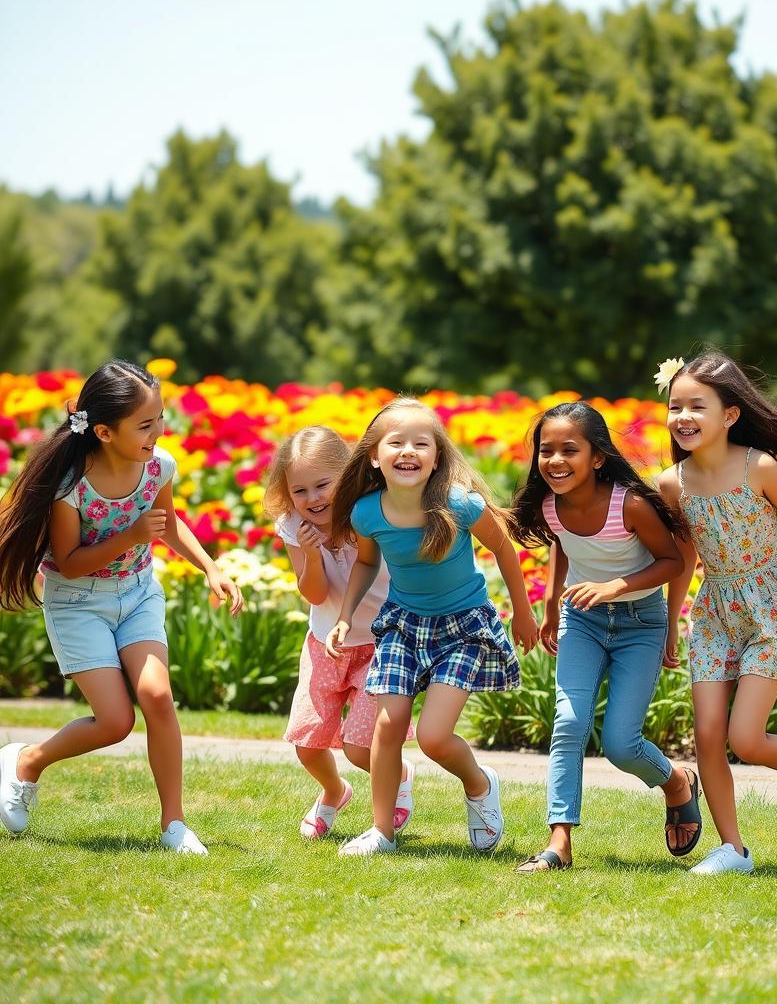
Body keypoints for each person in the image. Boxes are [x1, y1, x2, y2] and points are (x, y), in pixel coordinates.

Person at [0, 360, 243, 853]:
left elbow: (169, 524)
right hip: (78, 604)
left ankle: (173, 823)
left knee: (157, 695)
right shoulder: (70, 484)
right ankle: (25, 761)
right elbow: (67, 563)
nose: (160, 431)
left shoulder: (159, 466)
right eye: (147, 424)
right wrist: (130, 535)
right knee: (115, 722)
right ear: (105, 431)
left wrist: (210, 567)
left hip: (136, 592)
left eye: (160, 418)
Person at [656, 352, 777, 875]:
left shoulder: (757, 465)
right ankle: (733, 849)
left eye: (697, 406)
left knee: (746, 738)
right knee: (708, 735)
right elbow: (685, 555)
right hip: (715, 610)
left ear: (730, 415)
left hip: (770, 605)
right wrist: (672, 619)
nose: (683, 417)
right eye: (675, 407)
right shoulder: (673, 484)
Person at [328, 398, 539, 856]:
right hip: (404, 626)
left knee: (433, 738)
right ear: (373, 456)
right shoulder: (367, 513)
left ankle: (480, 785)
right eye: (396, 442)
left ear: (437, 457)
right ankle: (382, 831)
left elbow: (504, 549)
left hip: (463, 626)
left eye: (421, 443)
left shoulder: (458, 505)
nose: (409, 451)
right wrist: (345, 616)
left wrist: (523, 612)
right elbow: (366, 562)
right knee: (388, 726)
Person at [510, 401, 699, 873]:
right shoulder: (550, 505)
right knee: (569, 723)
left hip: (640, 624)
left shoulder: (629, 503)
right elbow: (559, 543)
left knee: (620, 743)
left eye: (569, 450)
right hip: (583, 622)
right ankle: (559, 842)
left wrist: (619, 587)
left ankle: (676, 781)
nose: (555, 460)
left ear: (597, 457)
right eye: (545, 450)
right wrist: (551, 606)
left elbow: (674, 561)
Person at [263, 426, 414, 840]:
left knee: (362, 748)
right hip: (326, 644)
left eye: (322, 485)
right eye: (299, 490)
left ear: (346, 476)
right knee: (308, 746)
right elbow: (314, 593)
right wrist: (312, 553)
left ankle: (398, 776)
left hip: (382, 643)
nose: (312, 499)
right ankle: (333, 791)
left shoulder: (370, 513)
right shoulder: (294, 526)